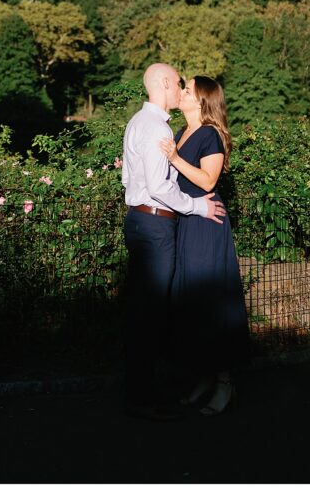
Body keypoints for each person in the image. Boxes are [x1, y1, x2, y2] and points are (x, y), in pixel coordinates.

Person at [121, 62, 226, 421]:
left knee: (163, 308)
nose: (180, 88)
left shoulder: (144, 123)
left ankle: (156, 387)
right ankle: (143, 395)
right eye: (179, 83)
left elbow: (132, 178)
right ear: (165, 83)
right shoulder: (158, 128)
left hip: (157, 222)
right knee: (151, 313)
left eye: (187, 87)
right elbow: (159, 186)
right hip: (160, 223)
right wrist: (196, 205)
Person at [159, 75, 250, 416]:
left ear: (201, 100)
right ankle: (205, 376)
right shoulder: (182, 133)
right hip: (187, 220)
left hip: (206, 224)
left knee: (210, 300)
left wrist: (175, 159)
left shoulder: (210, 134)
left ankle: (225, 384)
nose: (181, 92)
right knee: (191, 300)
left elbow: (208, 179)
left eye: (187, 89)